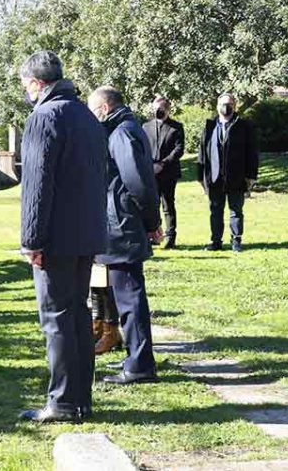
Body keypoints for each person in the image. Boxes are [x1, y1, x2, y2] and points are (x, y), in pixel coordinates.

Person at [18, 51, 108, 423]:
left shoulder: (44, 116)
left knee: (57, 317)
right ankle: (80, 398)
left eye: (25, 85)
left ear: (38, 84)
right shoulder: (87, 116)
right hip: (85, 233)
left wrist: (32, 240)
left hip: (55, 235)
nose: (25, 91)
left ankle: (63, 401)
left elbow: (36, 186)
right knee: (76, 316)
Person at [88, 86, 162, 385]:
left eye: (93, 110)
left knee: (129, 298)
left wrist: (150, 221)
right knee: (128, 296)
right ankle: (136, 357)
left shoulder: (121, 133)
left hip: (122, 224)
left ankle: (140, 364)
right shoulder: (127, 128)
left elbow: (138, 182)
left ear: (104, 108)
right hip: (123, 221)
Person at [197, 93, 259, 252]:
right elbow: (202, 152)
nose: (226, 107)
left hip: (236, 176)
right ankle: (216, 241)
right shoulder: (209, 126)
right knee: (215, 211)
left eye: (230, 104)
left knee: (236, 211)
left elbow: (252, 152)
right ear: (217, 106)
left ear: (235, 106)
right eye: (223, 104)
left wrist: (251, 176)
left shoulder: (244, 126)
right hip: (214, 176)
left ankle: (236, 240)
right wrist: (201, 176)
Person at [142, 95, 185, 249]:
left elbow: (179, 149)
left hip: (168, 172)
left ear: (167, 109)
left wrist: (163, 163)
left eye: (161, 109)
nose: (158, 111)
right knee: (152, 205)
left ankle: (170, 237)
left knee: (168, 205)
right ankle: (152, 235)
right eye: (155, 108)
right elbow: (143, 148)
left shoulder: (176, 127)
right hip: (151, 172)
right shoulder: (146, 127)